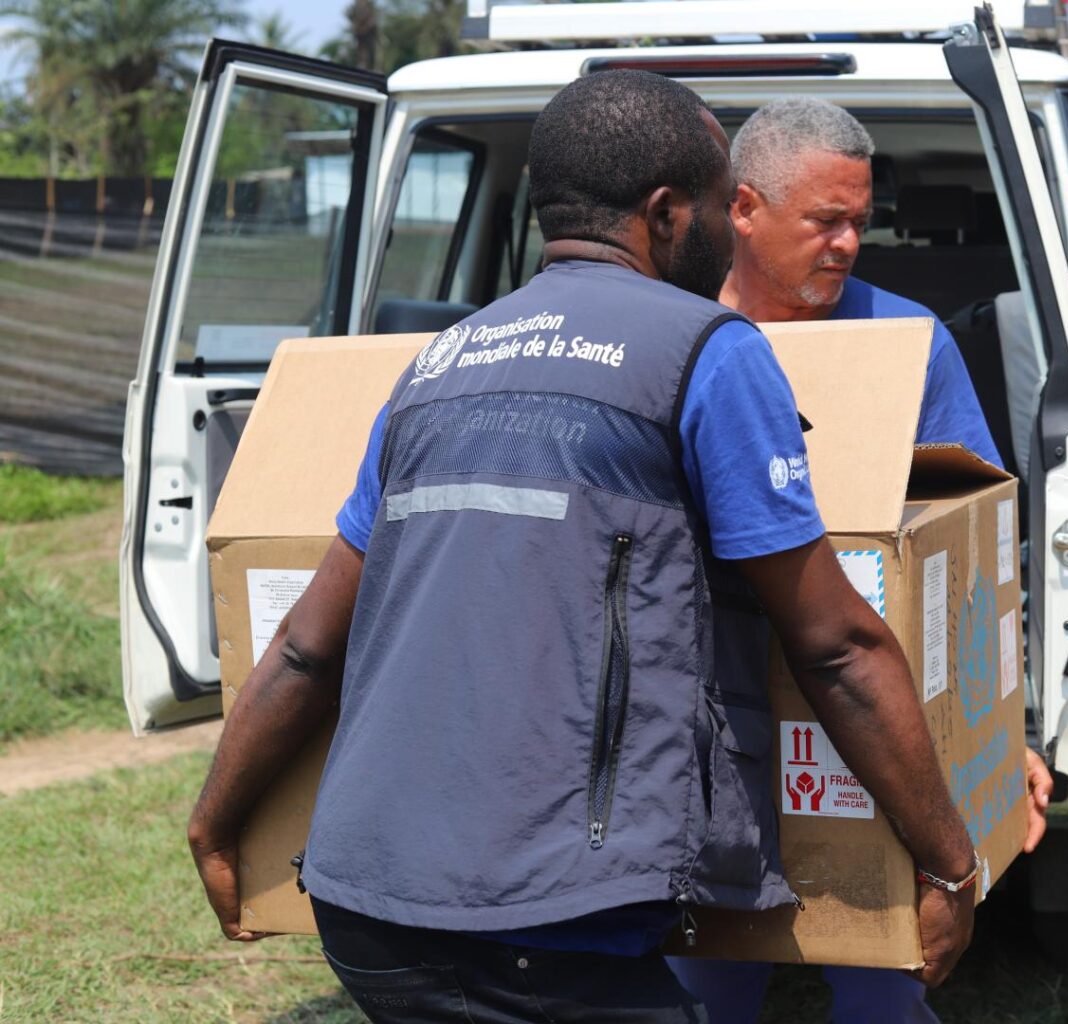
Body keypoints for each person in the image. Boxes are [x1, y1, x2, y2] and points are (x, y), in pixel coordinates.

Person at [187, 71, 980, 1023]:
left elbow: (309, 645)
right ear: (665, 214)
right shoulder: (708, 348)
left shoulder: (437, 363)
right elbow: (839, 648)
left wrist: (214, 821)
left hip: (366, 914)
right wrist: (949, 859)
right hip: (548, 922)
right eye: (716, 206)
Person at [671, 98, 1054, 1024]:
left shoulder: (909, 345)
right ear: (745, 209)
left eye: (860, 220)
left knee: (885, 989)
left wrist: (1007, 734)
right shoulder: (669, 337)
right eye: (824, 221)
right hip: (700, 730)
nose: (848, 243)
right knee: (698, 987)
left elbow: (968, 563)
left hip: (863, 734)